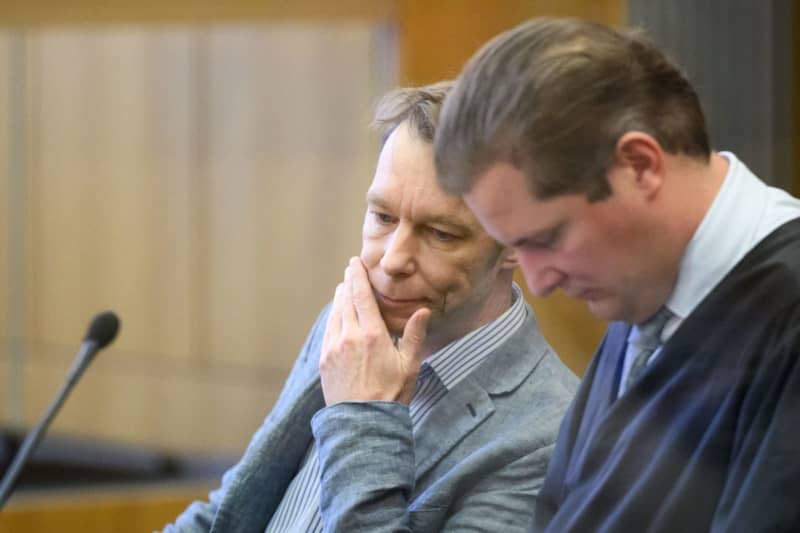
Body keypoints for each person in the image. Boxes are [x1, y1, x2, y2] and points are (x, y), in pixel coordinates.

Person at [434, 17, 800, 533]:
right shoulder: (646, 288)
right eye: (516, 246)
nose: (538, 283)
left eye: (547, 238)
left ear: (639, 165)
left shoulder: (784, 312)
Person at [162, 81, 577, 533]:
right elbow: (231, 512)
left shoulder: (548, 436)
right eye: (382, 217)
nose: (393, 259)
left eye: (440, 233)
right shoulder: (349, 329)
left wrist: (361, 417)